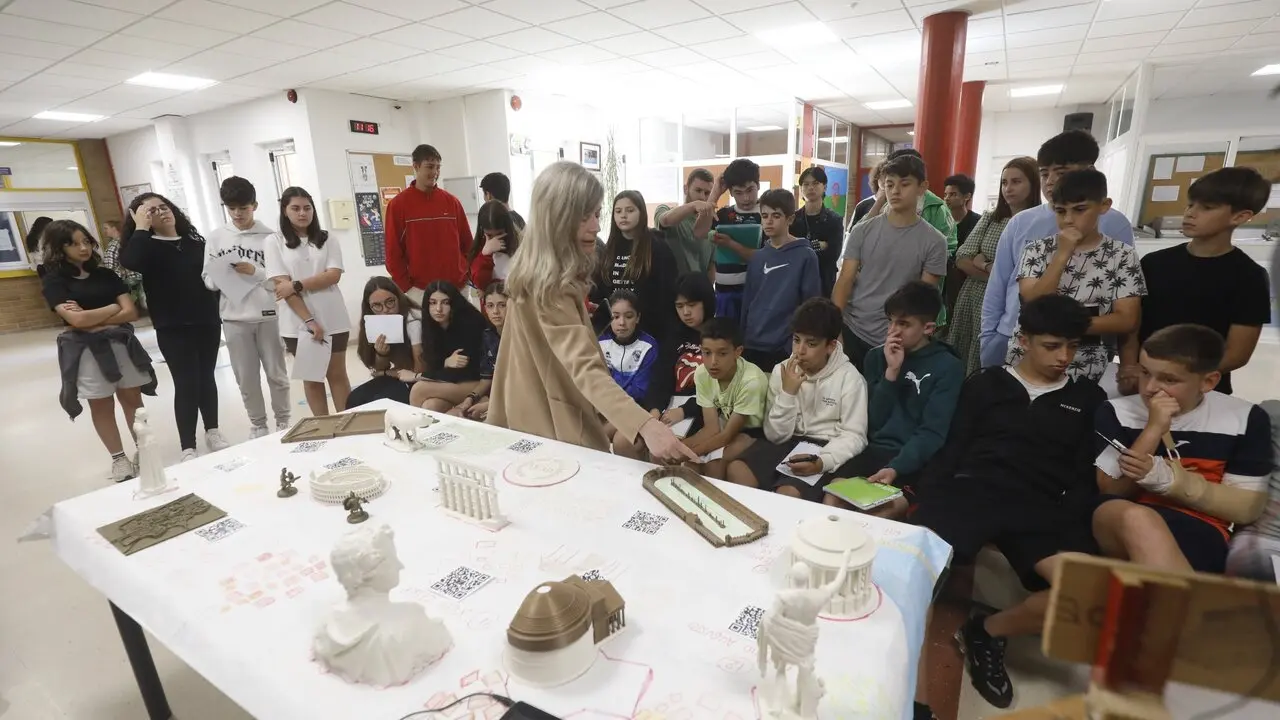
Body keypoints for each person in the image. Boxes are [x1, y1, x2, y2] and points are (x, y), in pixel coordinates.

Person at [918, 294, 1105, 710]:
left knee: (1087, 593)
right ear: (1024, 339)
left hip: (1038, 508)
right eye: (1052, 345)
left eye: (1072, 346)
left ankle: (986, 631)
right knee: (915, 575)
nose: (1064, 357)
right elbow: (953, 448)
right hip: (973, 491)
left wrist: (1071, 525)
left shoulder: (1087, 399)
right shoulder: (986, 383)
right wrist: (930, 503)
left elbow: (1081, 475)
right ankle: (912, 696)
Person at [485, 161, 694, 463]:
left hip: (523, 416)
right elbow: (585, 369)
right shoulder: (552, 284)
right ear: (558, 218)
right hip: (552, 426)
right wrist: (646, 425)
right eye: (585, 217)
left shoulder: (532, 273)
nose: (596, 227)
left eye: (597, 214)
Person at [1093, 324, 1271, 576]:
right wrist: (1153, 429)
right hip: (1119, 521)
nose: (1151, 387)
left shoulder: (1246, 418)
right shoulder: (1116, 412)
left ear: (1208, 381)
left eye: (1168, 379)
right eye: (1145, 373)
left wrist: (1169, 481)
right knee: (1139, 519)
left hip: (1200, 529)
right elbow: (1112, 491)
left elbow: (1245, 509)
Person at [980, 130, 1135, 368]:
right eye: (1044, 173)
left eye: (1061, 172)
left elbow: (1124, 310)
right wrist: (989, 337)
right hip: (1015, 336)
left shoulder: (1116, 227)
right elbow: (999, 285)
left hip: (1085, 349)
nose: (1051, 181)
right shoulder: (1022, 223)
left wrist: (1126, 361)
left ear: (1088, 171)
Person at [1122, 167, 1272, 397]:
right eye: (1190, 204)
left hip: (1202, 389)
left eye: (1207, 208)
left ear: (1240, 216)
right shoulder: (1155, 263)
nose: (1190, 213)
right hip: (1143, 384)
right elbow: (1133, 326)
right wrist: (1130, 367)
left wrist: (1175, 378)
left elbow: (1237, 352)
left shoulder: (1249, 276)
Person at [826, 282, 962, 516]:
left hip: (913, 459)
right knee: (833, 500)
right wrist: (891, 374)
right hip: (871, 450)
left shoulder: (948, 366)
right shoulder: (876, 357)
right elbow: (872, 421)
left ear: (928, 328)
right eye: (891, 321)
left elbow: (932, 431)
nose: (893, 331)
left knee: (882, 511)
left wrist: (896, 468)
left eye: (904, 324)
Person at [41, 220, 156, 482]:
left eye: (86, 241)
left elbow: (132, 312)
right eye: (73, 243)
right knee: (101, 404)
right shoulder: (54, 281)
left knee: (132, 401)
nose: (83, 248)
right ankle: (118, 459)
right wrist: (112, 310)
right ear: (59, 248)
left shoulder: (106, 275)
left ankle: (144, 449)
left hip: (120, 344)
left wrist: (94, 318)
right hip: (86, 351)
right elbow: (77, 322)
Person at [1005, 169, 1145, 382]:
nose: (1068, 219)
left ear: (1104, 206)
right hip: (1029, 359)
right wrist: (1062, 255)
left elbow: (1126, 320)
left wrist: (1057, 324)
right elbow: (1032, 301)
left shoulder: (1122, 255)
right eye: (1060, 211)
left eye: (1080, 210)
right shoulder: (1037, 249)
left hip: (1084, 364)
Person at [121, 192, 227, 461]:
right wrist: (142, 228)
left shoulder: (195, 243)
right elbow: (130, 261)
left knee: (206, 377)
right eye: (151, 211)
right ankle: (187, 445)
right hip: (173, 325)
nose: (161, 212)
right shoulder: (146, 246)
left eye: (163, 207)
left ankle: (212, 430)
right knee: (186, 382)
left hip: (206, 320)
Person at [727, 298, 868, 493]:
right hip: (786, 441)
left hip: (825, 448)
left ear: (831, 346)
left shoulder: (851, 378)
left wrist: (823, 461)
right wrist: (788, 393)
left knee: (789, 491)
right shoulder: (782, 370)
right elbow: (775, 436)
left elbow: (855, 436)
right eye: (796, 340)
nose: (800, 351)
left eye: (811, 344)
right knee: (737, 470)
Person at [831, 154, 948, 372]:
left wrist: (905, 336)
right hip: (852, 329)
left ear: (922, 187)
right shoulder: (862, 230)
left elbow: (923, 299)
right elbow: (845, 280)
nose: (895, 191)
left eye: (905, 184)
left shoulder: (935, 242)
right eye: (889, 184)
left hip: (897, 338)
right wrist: (834, 329)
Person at [203, 176, 290, 438]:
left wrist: (254, 271)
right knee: (246, 377)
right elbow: (207, 280)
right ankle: (258, 424)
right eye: (232, 209)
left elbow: (281, 280)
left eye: (243, 207)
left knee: (276, 373)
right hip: (234, 318)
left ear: (255, 205)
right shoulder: (217, 237)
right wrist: (221, 277)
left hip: (268, 315)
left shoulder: (271, 237)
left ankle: (284, 420)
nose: (238, 214)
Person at [265, 186, 351, 416]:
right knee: (313, 379)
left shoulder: (327, 238)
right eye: (295, 208)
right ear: (285, 211)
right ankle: (323, 427)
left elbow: (333, 275)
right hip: (297, 323)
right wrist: (310, 320)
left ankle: (349, 425)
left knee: (338, 375)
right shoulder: (274, 241)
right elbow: (282, 288)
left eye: (307, 208)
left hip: (334, 316)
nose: (302, 213)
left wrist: (296, 284)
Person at [950, 157, 1040, 375]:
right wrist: (998, 275)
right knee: (966, 356)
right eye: (1004, 182)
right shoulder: (992, 217)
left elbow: (1022, 277)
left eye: (1016, 182)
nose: (1008, 189)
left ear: (1034, 183)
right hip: (975, 298)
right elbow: (962, 258)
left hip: (1014, 306)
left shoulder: (1040, 222)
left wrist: (986, 264)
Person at [624, 272, 716, 459]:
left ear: (706, 302)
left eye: (692, 305)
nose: (686, 312)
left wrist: (684, 410)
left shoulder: (719, 336)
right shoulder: (673, 336)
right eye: (680, 306)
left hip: (702, 410)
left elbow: (720, 388)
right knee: (625, 441)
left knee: (664, 452)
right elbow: (660, 378)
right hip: (668, 407)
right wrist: (655, 409)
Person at [742, 188, 822, 374]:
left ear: (790, 219)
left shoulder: (805, 255)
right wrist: (743, 338)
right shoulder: (758, 257)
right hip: (752, 344)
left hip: (784, 347)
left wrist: (793, 344)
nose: (769, 221)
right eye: (764, 215)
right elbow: (748, 301)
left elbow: (810, 305)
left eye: (776, 215)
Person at [384, 144, 472, 300]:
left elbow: (468, 244)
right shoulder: (398, 205)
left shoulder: (452, 202)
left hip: (458, 288)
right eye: (430, 167)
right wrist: (407, 288)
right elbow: (393, 252)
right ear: (416, 166)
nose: (435, 173)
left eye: (438, 168)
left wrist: (466, 277)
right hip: (420, 291)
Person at [683, 318, 768, 479]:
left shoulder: (751, 381)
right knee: (689, 464)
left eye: (722, 353)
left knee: (714, 465)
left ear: (738, 351)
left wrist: (688, 452)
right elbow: (711, 428)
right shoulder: (702, 374)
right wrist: (678, 448)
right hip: (725, 424)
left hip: (755, 433)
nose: (713, 362)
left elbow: (727, 435)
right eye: (707, 353)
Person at [589, 189, 678, 340]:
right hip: (614, 331)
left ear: (641, 213)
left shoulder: (657, 247)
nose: (623, 215)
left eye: (630, 210)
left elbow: (666, 294)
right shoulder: (609, 248)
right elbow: (602, 291)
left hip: (649, 330)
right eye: (618, 211)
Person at [408, 280, 489, 413]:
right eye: (433, 303)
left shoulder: (470, 322)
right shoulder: (431, 326)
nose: (438, 309)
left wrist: (417, 376)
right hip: (455, 383)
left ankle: (413, 430)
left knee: (418, 389)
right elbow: (434, 364)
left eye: (445, 302)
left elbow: (464, 372)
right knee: (431, 406)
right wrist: (446, 363)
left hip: (479, 383)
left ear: (454, 303)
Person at [347, 277, 424, 408]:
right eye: (377, 305)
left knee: (379, 402)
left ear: (399, 298)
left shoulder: (413, 321)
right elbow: (378, 367)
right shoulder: (373, 323)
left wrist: (386, 373)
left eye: (390, 302)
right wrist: (382, 354)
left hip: (420, 379)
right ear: (369, 307)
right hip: (401, 375)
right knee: (355, 399)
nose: (385, 310)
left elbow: (419, 370)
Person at [711, 159, 763, 321]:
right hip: (723, 292)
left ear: (758, 186)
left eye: (750, 190)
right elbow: (698, 232)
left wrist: (731, 244)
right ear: (731, 192)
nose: (746, 198)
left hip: (756, 292)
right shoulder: (723, 215)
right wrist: (715, 193)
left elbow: (767, 257)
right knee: (726, 341)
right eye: (738, 193)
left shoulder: (768, 215)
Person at [453, 281, 507, 421]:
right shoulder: (488, 336)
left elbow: (526, 386)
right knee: (455, 414)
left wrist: (489, 405)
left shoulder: (522, 337)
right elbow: (486, 378)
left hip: (517, 400)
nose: (495, 311)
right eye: (490, 306)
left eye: (502, 305)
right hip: (495, 395)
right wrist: (469, 399)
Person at [791, 166, 845, 296]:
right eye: (806, 184)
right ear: (801, 188)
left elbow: (833, 255)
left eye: (815, 183)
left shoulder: (834, 220)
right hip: (795, 279)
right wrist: (819, 245)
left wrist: (804, 247)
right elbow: (790, 253)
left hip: (823, 281)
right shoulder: (792, 219)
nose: (810, 188)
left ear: (825, 187)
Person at [598, 289, 658, 405]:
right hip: (603, 405)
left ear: (638, 317)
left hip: (635, 407)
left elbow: (641, 389)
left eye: (629, 316)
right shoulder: (599, 342)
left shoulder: (649, 346)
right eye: (615, 317)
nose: (622, 322)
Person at [654, 168, 716, 277]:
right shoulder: (665, 209)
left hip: (700, 289)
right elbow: (665, 220)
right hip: (672, 289)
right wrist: (693, 205)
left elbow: (711, 267)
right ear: (685, 189)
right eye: (698, 190)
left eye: (707, 193)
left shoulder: (712, 223)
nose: (702, 197)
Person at [468, 199, 521, 291]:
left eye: (499, 234)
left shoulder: (519, 244)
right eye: (489, 235)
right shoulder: (479, 248)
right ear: (482, 230)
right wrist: (486, 254)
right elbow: (480, 283)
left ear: (507, 228)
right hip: (492, 303)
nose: (494, 240)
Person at [942, 174, 981, 245]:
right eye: (945, 195)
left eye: (953, 194)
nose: (946, 198)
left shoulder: (978, 222)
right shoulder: (940, 219)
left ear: (967, 196)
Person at [848, 161, 883, 230]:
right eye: (884, 177)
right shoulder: (863, 205)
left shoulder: (898, 204)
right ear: (877, 179)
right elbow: (851, 234)